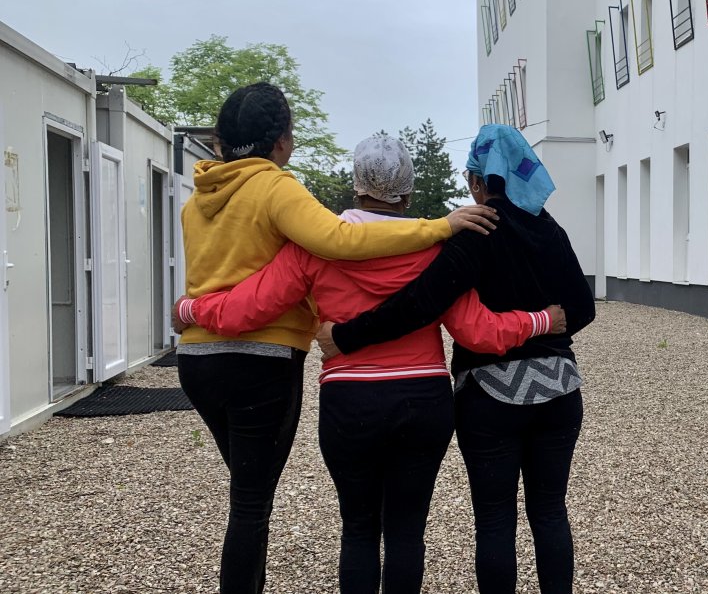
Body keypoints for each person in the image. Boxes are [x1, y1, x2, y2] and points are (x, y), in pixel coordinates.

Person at [174, 132, 566, 593]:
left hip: (348, 401)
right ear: (409, 194)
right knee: (406, 533)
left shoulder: (313, 246)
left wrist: (191, 310)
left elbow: (248, 308)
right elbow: (477, 331)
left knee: (358, 530)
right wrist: (540, 320)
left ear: (356, 185)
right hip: (423, 401)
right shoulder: (437, 246)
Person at [316, 124, 596, 594]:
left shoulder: (476, 229)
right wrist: (544, 324)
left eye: (472, 178)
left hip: (491, 395)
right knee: (550, 512)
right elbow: (582, 309)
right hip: (559, 389)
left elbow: (423, 302)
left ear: (480, 180)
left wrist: (346, 335)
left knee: (494, 519)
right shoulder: (551, 229)